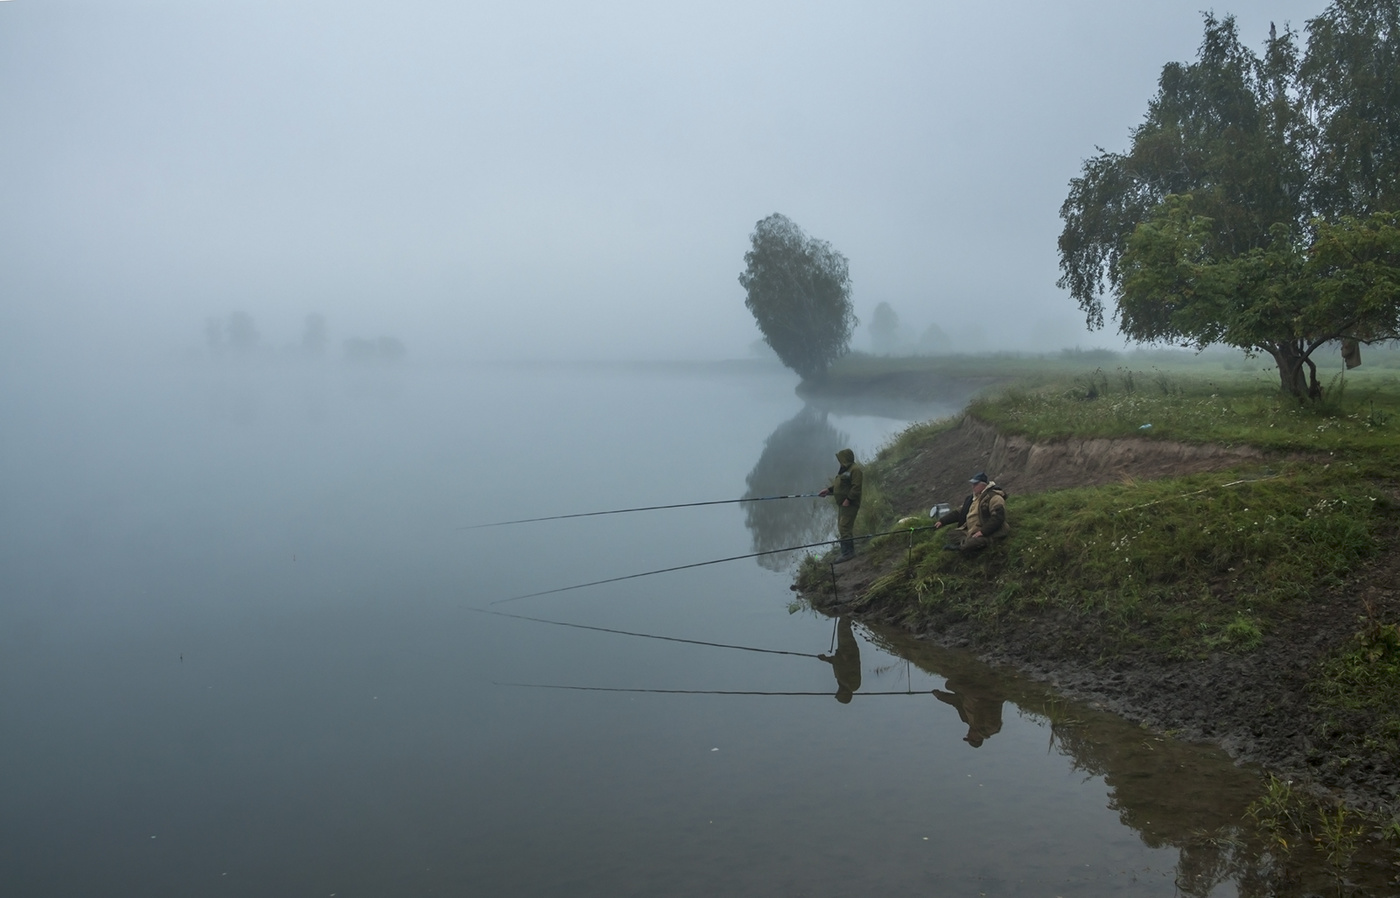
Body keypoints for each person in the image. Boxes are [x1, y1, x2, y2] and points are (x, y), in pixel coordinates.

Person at [931, 472, 1009, 552]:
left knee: (971, 544)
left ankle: (965, 546)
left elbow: (998, 518)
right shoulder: (972, 499)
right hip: (972, 530)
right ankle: (967, 542)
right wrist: (942, 521)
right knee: (952, 534)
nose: (973, 487)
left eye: (975, 484)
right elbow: (959, 512)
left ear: (983, 485)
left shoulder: (995, 498)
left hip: (990, 531)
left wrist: (983, 532)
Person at [818, 448, 862, 561]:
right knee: (842, 527)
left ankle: (848, 553)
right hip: (842, 504)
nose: (839, 462)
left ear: (846, 459)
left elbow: (856, 488)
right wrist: (828, 490)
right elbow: (840, 485)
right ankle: (846, 551)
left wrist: (848, 499)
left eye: (841, 459)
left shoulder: (855, 470)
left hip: (850, 504)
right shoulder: (844, 470)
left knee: (844, 526)